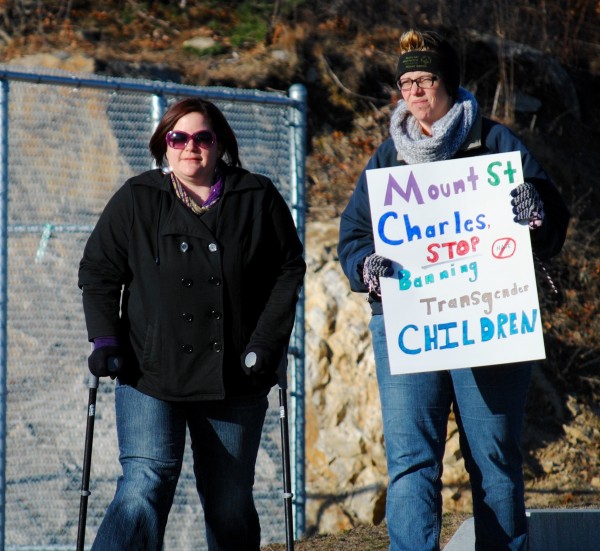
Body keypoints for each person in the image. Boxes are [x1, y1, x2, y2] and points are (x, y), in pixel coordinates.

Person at [338, 30, 569, 551]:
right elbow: (351, 237)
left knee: (493, 457)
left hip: (487, 319)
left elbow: (553, 219)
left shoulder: (495, 142)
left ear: (449, 82)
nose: (415, 91)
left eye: (426, 79)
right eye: (405, 82)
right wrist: (366, 266)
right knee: (411, 461)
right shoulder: (386, 160)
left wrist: (535, 213)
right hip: (407, 322)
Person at [78, 97, 306, 551]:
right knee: (144, 483)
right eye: (178, 138)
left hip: (235, 377)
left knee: (229, 501)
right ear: (164, 144)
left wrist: (267, 342)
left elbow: (289, 268)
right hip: (149, 372)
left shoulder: (256, 197)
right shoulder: (138, 198)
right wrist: (104, 338)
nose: (190, 147)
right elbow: (99, 271)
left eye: (202, 138)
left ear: (219, 144)